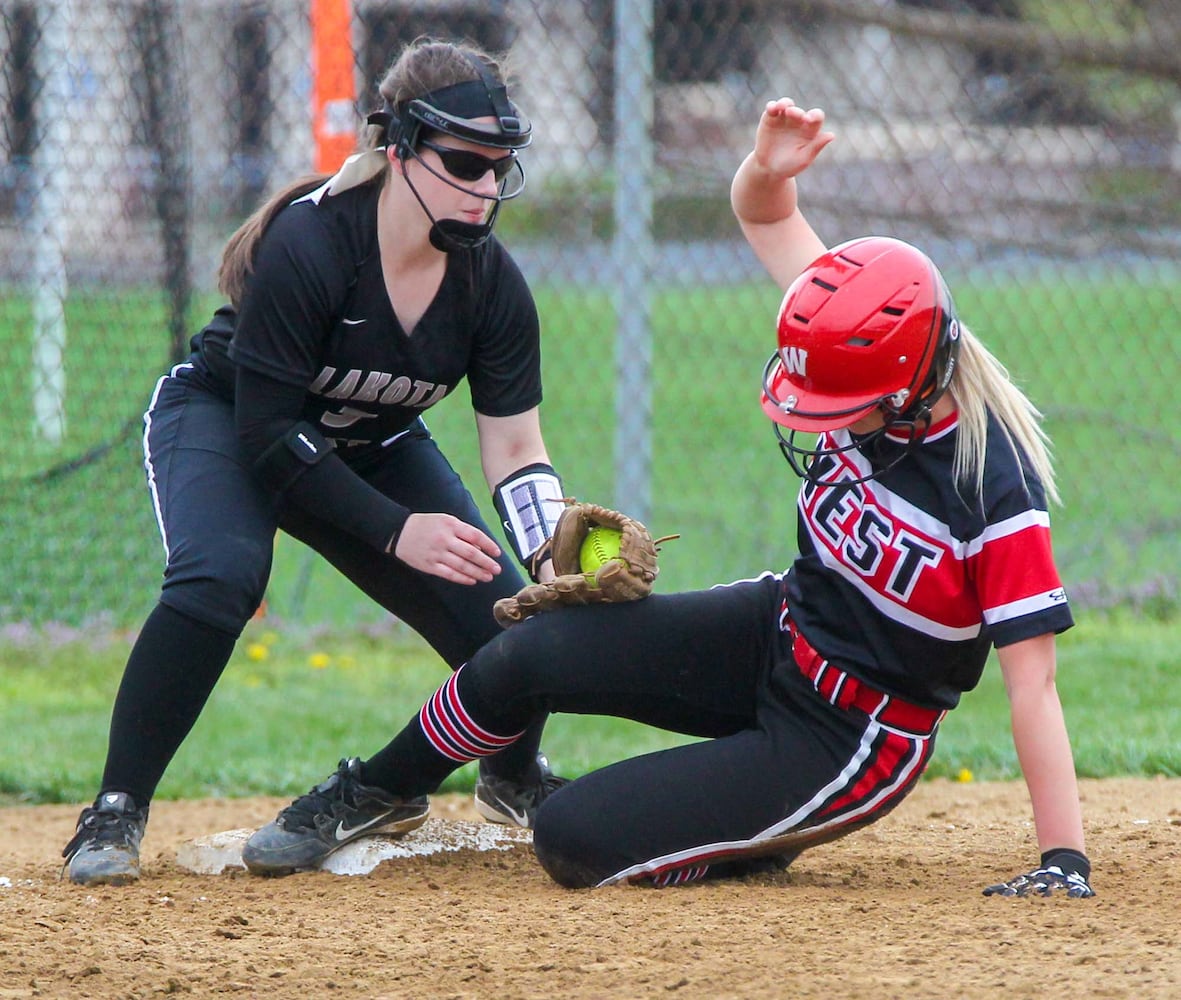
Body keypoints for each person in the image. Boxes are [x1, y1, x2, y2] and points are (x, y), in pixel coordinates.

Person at [239, 98, 1094, 900]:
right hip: (777, 634)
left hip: (851, 735)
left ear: (908, 380)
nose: (820, 417)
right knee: (528, 651)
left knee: (572, 840)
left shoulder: (989, 480)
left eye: (841, 404)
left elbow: (1033, 685)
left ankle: (750, 818)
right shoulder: (854, 332)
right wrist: (768, 168)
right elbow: (766, 216)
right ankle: (377, 788)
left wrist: (1062, 861)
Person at [61, 37, 574, 887]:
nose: (486, 189)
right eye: (465, 163)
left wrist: (551, 554)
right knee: (219, 578)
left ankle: (510, 775)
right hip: (230, 423)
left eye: (500, 169)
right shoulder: (312, 246)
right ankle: (114, 810)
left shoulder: (490, 283)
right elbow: (268, 437)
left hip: (370, 444)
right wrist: (395, 530)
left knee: (511, 622)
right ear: (398, 146)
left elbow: (517, 449)